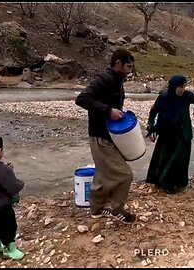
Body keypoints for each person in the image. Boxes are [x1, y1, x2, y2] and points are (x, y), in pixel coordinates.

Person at [75, 48, 136, 224]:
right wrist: (108, 111)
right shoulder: (104, 79)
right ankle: (116, 209)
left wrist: (118, 114)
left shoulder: (117, 80)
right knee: (124, 174)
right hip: (100, 136)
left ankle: (96, 210)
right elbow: (82, 99)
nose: (130, 71)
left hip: (110, 135)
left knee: (102, 174)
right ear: (118, 63)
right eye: (128, 67)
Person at [145, 75, 194, 194]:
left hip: (183, 132)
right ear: (174, 87)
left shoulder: (187, 95)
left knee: (179, 158)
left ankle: (176, 182)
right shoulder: (164, 97)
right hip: (167, 131)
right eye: (180, 86)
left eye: (184, 86)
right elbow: (153, 112)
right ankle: (163, 181)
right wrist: (151, 127)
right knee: (165, 157)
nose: (183, 89)